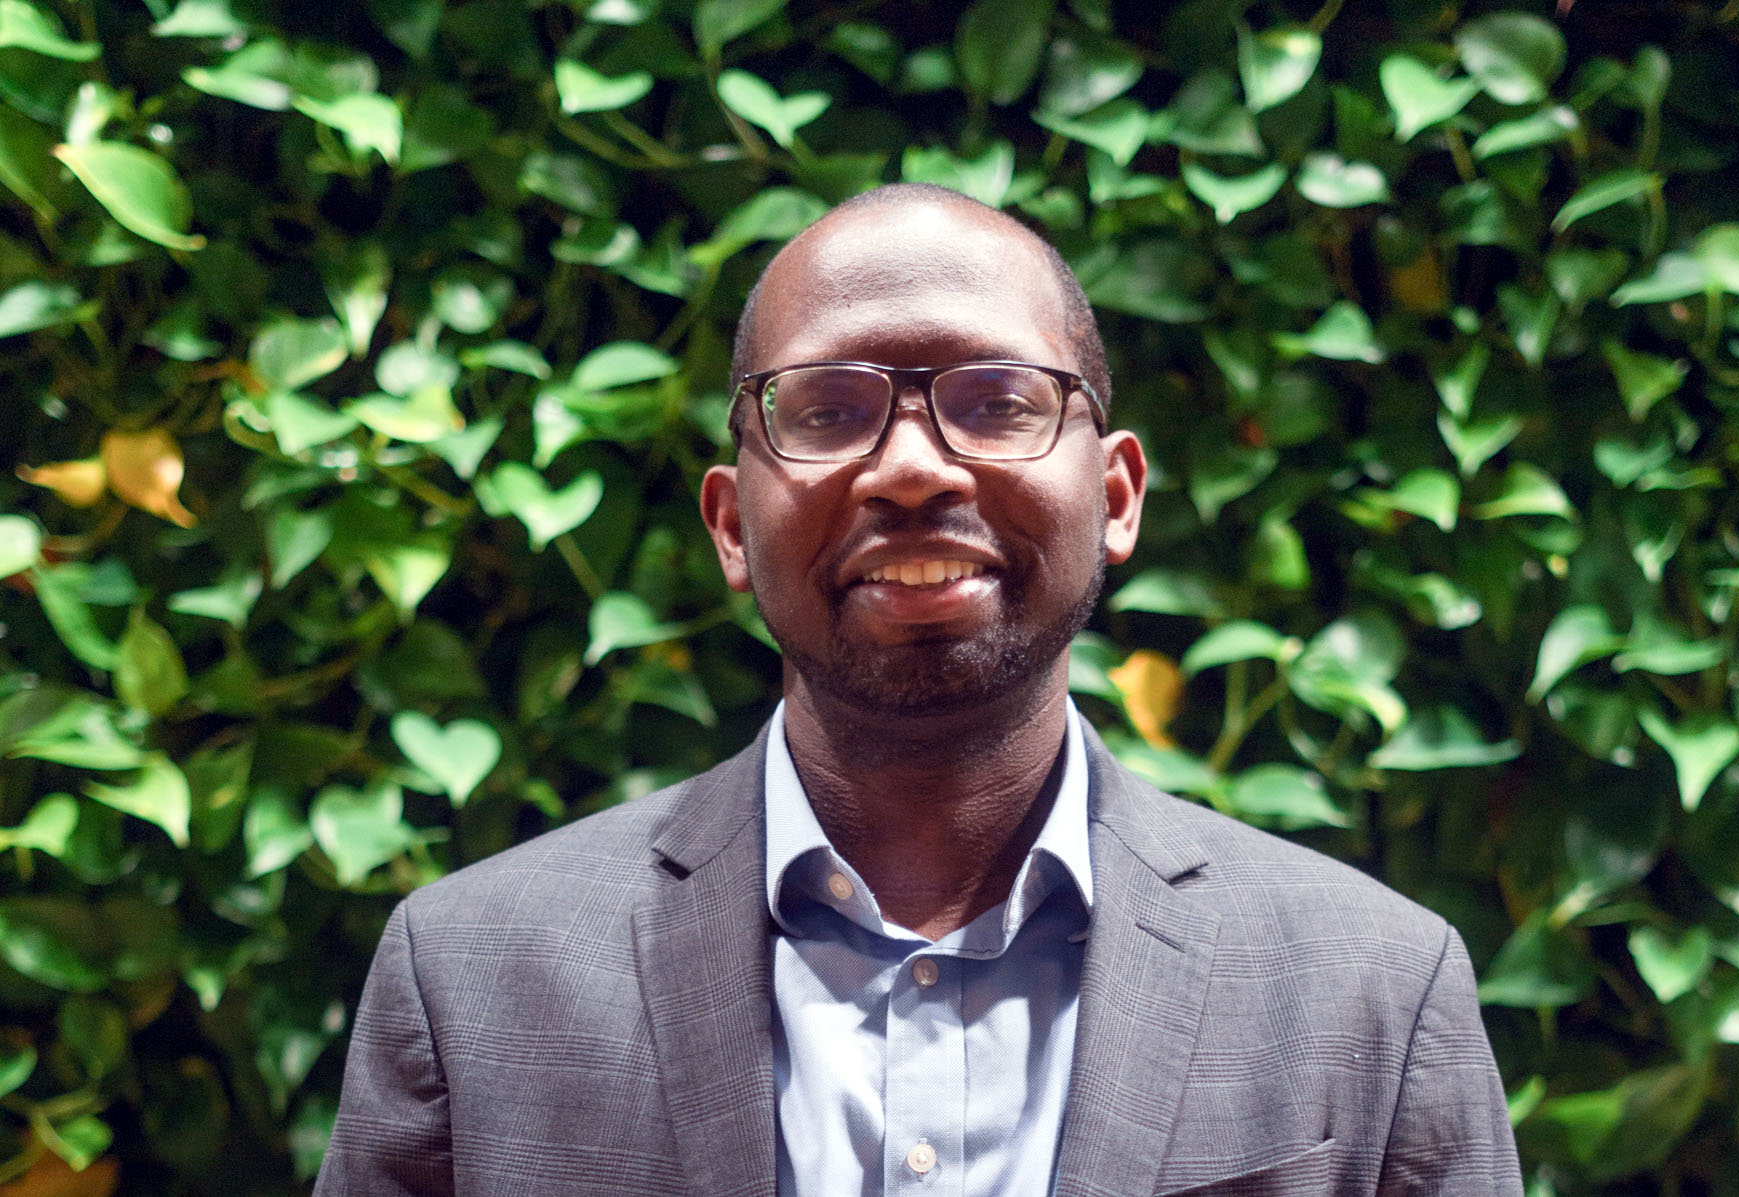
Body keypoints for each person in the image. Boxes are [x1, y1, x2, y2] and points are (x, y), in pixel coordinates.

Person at [316, 184, 1523, 1195]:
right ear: (730, 525)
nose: (907, 469)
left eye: (995, 402)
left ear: (1113, 499)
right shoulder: (471, 979)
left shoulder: (1370, 988)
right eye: (827, 411)